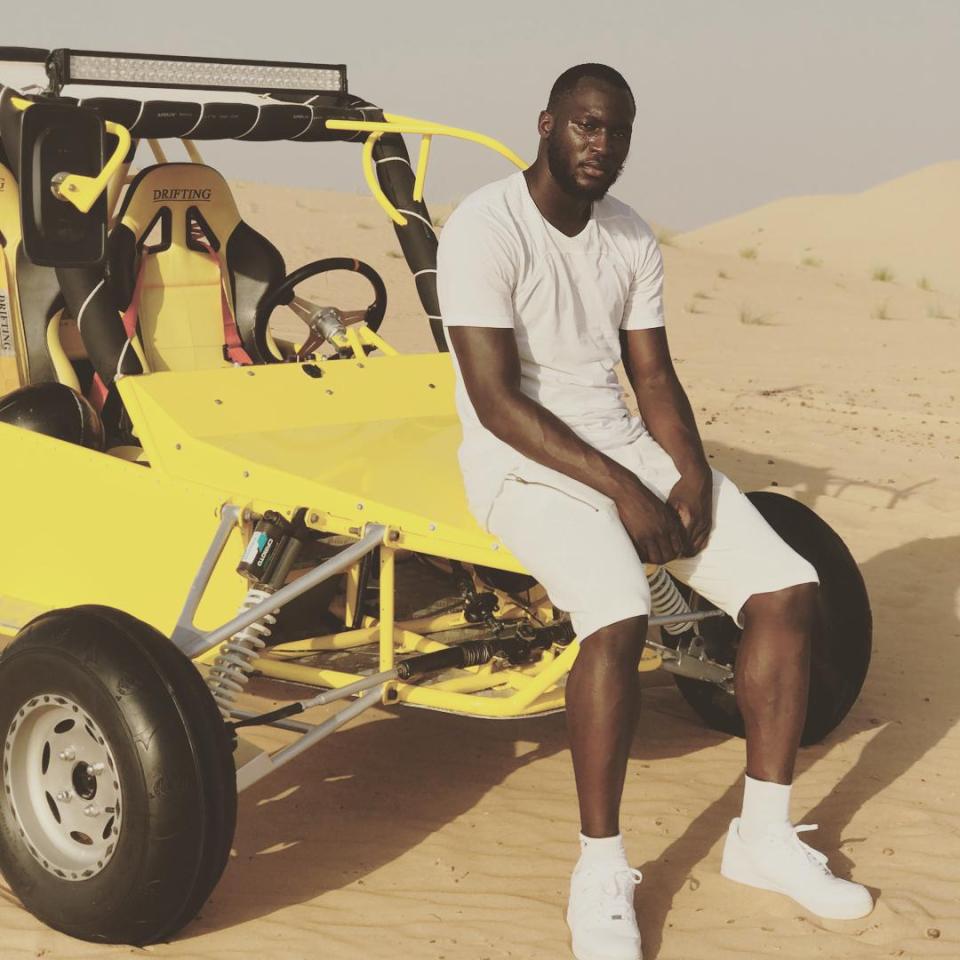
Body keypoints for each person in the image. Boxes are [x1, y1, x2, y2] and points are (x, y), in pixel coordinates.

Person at [436, 63, 873, 960]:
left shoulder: (628, 235)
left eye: (619, 132)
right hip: (522, 462)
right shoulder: (485, 225)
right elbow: (494, 402)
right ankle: (600, 871)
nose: (603, 147)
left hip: (619, 443)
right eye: (588, 127)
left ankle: (762, 837)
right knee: (619, 616)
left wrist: (690, 472)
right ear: (549, 123)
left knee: (788, 586)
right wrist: (626, 492)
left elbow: (652, 376)